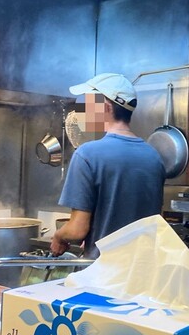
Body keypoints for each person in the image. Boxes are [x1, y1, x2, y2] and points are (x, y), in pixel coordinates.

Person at [50, 73, 167, 258]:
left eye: (87, 103)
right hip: (144, 267)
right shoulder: (153, 157)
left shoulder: (87, 154)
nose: (82, 110)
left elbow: (77, 230)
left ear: (105, 107)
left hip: (104, 270)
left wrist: (58, 236)